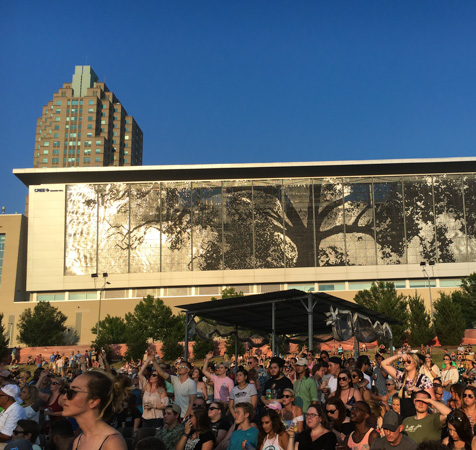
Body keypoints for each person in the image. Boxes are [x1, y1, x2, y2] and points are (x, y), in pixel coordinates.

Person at [61, 369, 127, 450]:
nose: (64, 397)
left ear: (93, 401)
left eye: (72, 392)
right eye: (66, 391)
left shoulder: (112, 442)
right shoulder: (79, 440)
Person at [381, 353, 433, 419]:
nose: (406, 363)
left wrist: (419, 391)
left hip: (420, 418)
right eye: (404, 361)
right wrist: (399, 356)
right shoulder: (401, 376)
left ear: (415, 363)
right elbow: (384, 364)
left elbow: (432, 401)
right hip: (405, 418)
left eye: (408, 361)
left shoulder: (423, 379)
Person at [152, 355, 197, 419]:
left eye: (182, 367)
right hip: (176, 415)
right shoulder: (175, 379)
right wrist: (153, 361)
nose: (179, 368)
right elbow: (161, 373)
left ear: (188, 370)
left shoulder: (191, 383)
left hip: (185, 415)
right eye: (179, 366)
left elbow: (192, 402)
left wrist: (186, 417)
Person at [138, 360, 168, 428]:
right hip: (145, 418)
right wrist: (147, 361)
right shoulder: (147, 386)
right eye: (151, 374)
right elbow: (140, 374)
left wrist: (153, 406)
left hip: (156, 419)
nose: (151, 376)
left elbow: (165, 405)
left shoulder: (161, 390)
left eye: (154, 375)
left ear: (159, 378)